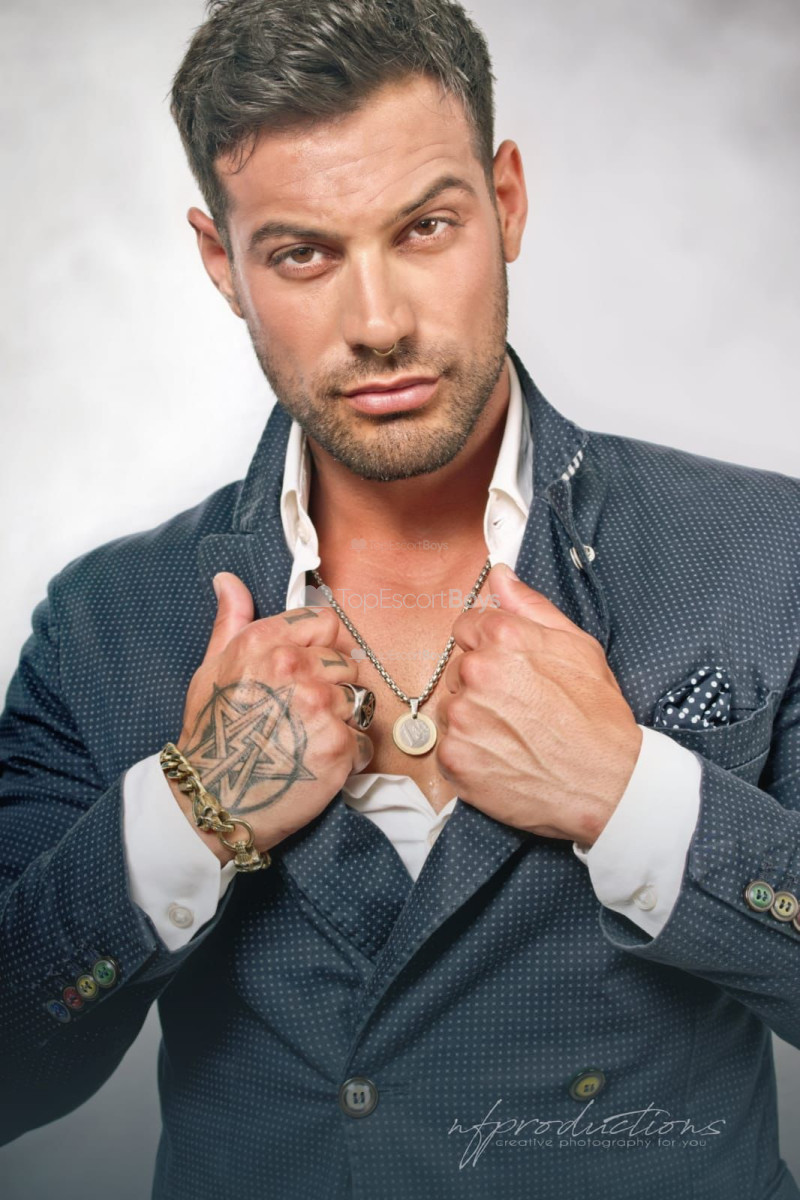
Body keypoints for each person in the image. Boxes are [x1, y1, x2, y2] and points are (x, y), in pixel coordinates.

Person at [1, 1, 799, 1197]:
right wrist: (192, 812)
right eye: (301, 254)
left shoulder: (765, 552)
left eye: (424, 228)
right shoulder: (104, 622)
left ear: (505, 202)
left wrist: (626, 796)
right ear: (222, 265)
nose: (377, 324)